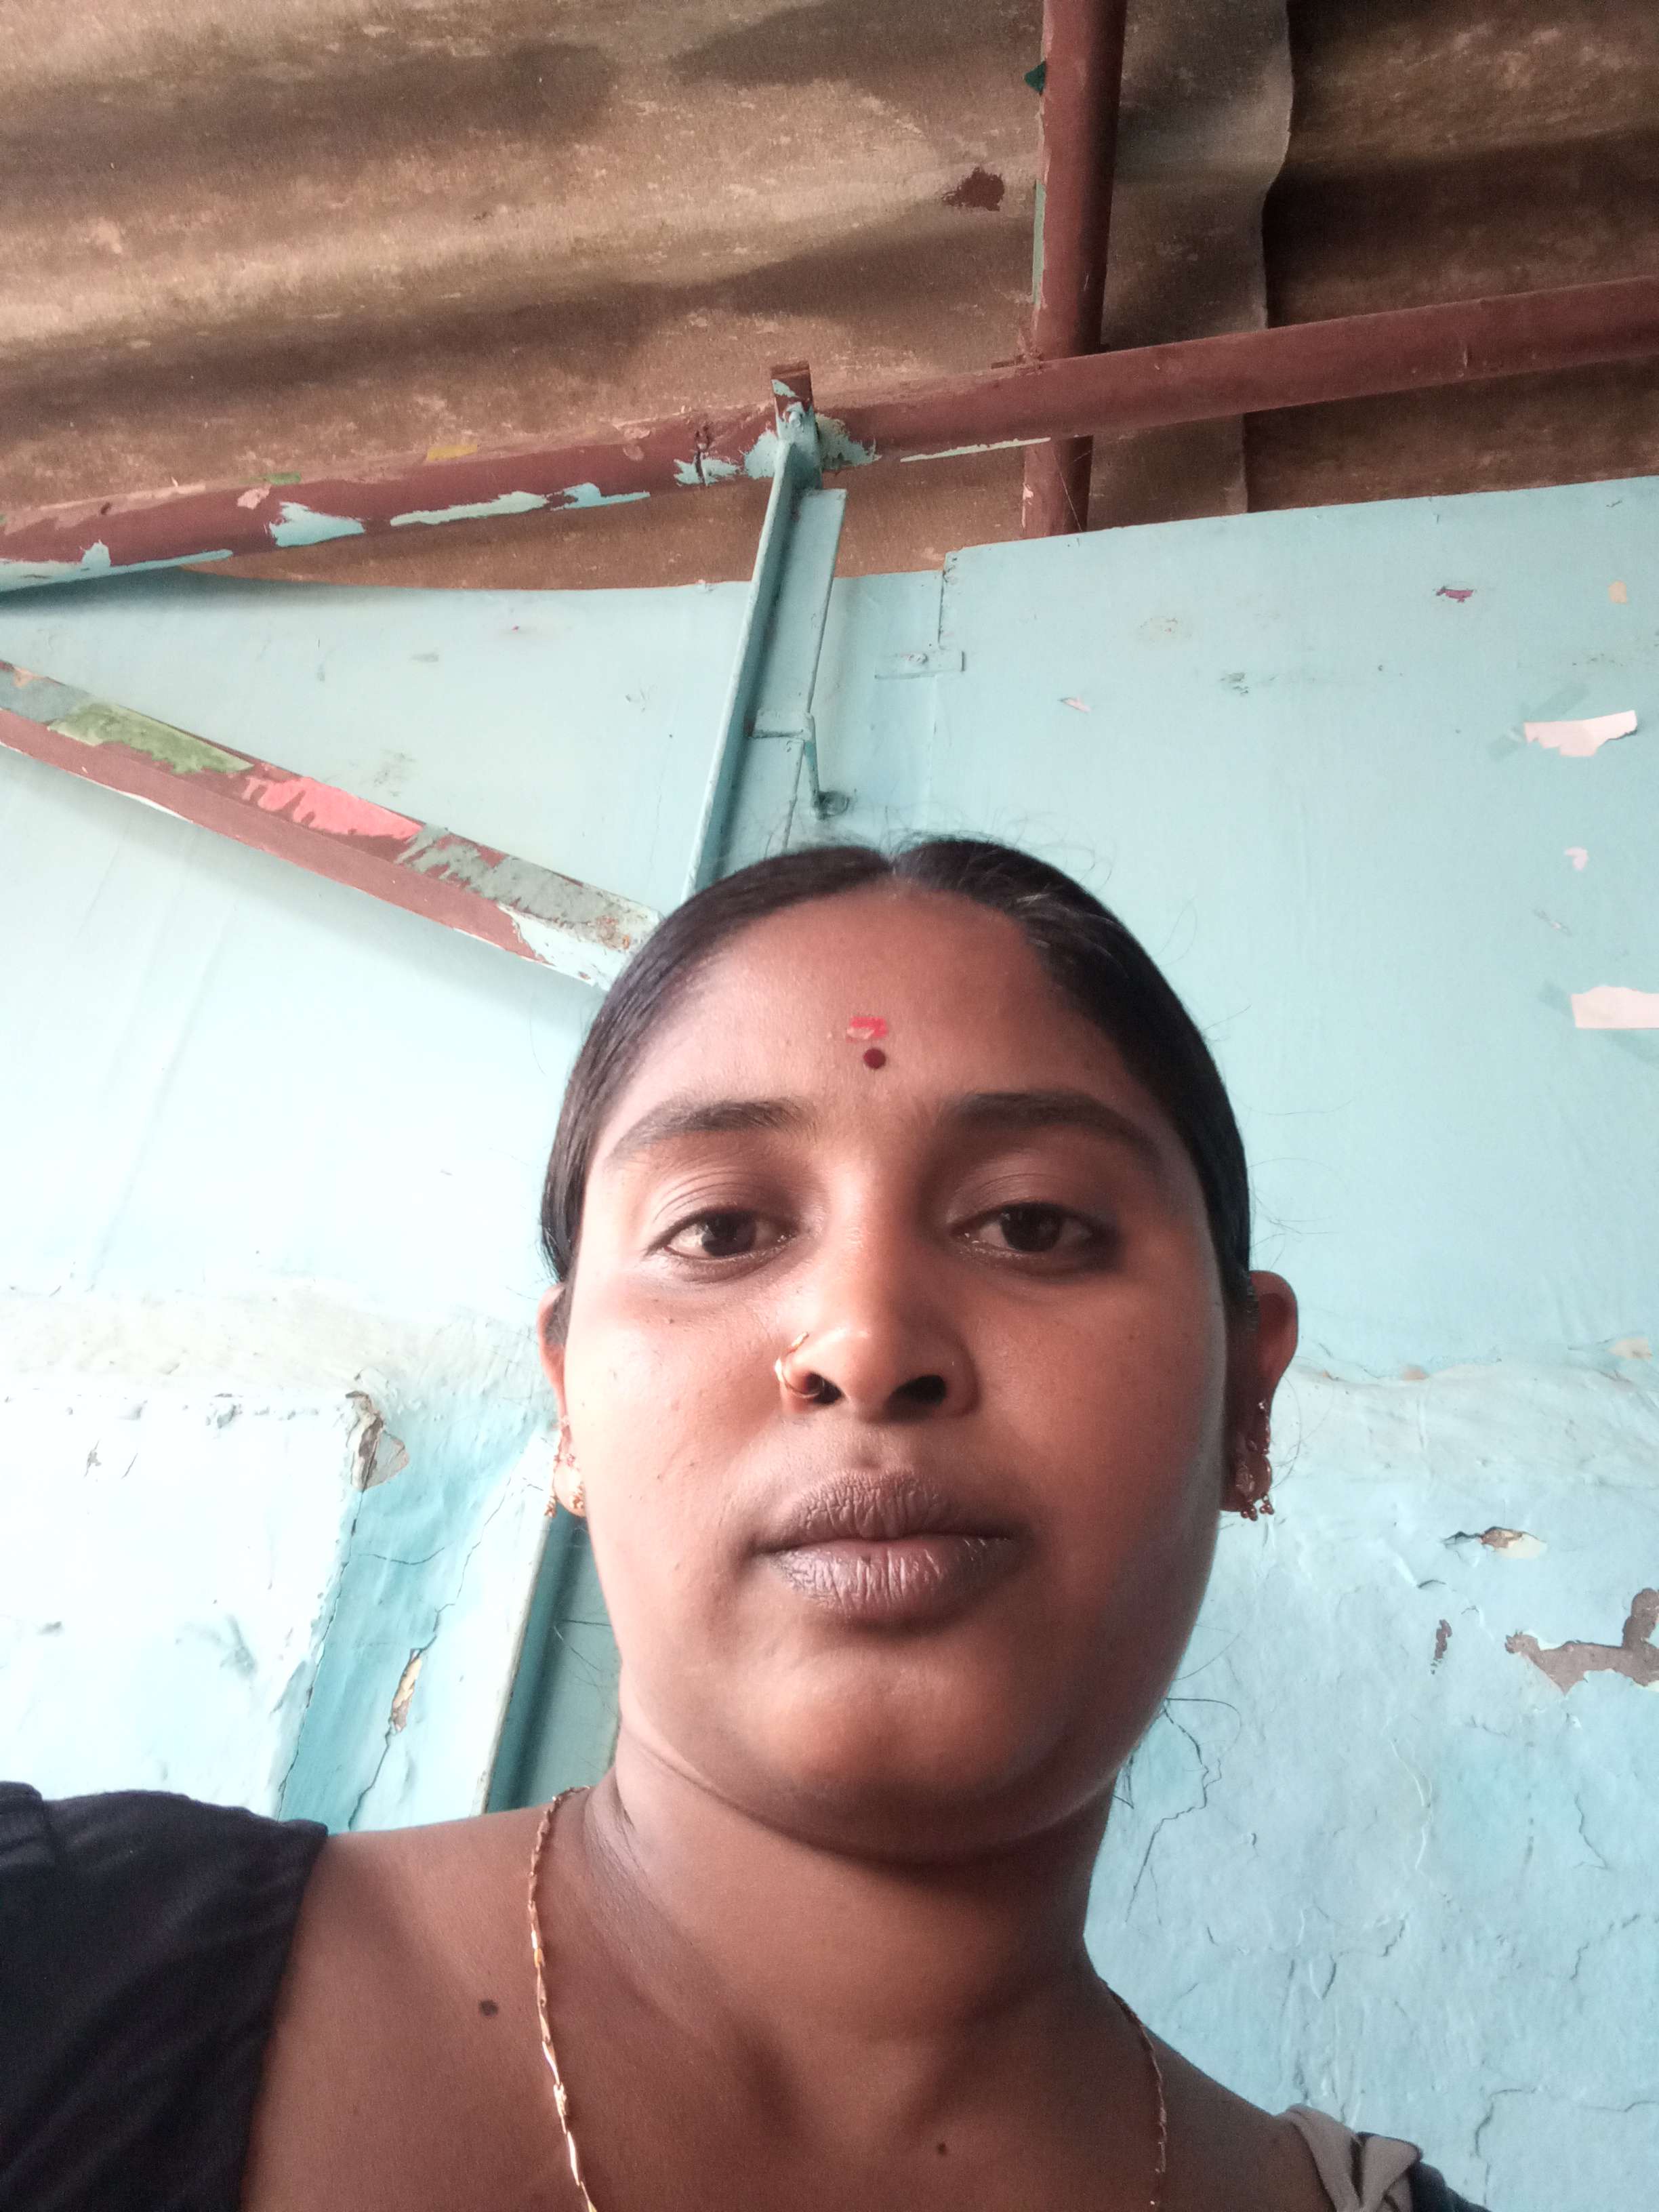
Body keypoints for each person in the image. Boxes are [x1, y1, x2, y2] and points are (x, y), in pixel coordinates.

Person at [0, 839, 1486, 2211]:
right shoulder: (54, 1973)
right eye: (720, 1230)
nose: (866, 1341)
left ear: (1246, 1401)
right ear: (568, 1402)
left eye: (1033, 1223)